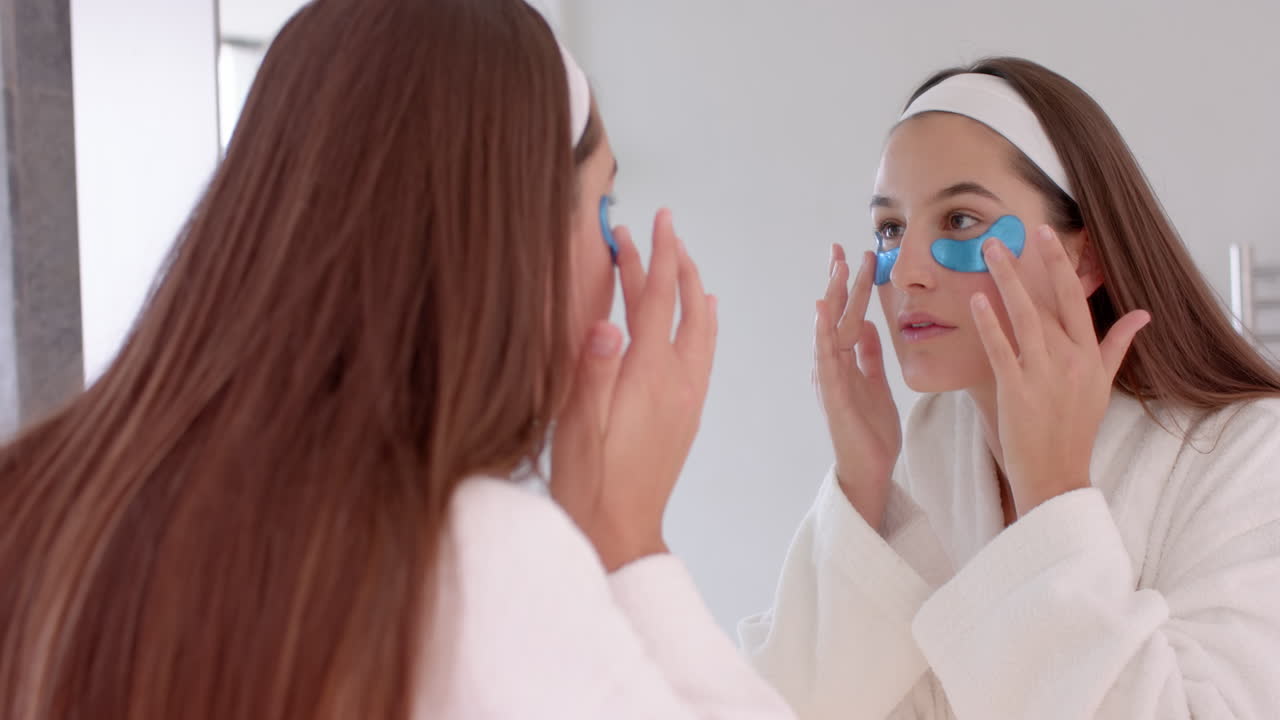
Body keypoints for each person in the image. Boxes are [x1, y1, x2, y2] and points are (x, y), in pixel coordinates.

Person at [0, 1, 796, 718]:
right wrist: (630, 544)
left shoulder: (37, 499)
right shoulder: (472, 560)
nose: (619, 274)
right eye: (604, 210)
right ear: (511, 234)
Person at [741, 57, 1280, 719]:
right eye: (890, 228)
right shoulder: (927, 457)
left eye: (961, 221)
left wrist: (1053, 495)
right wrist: (862, 482)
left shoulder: (1252, 456)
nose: (906, 269)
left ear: (1083, 258)